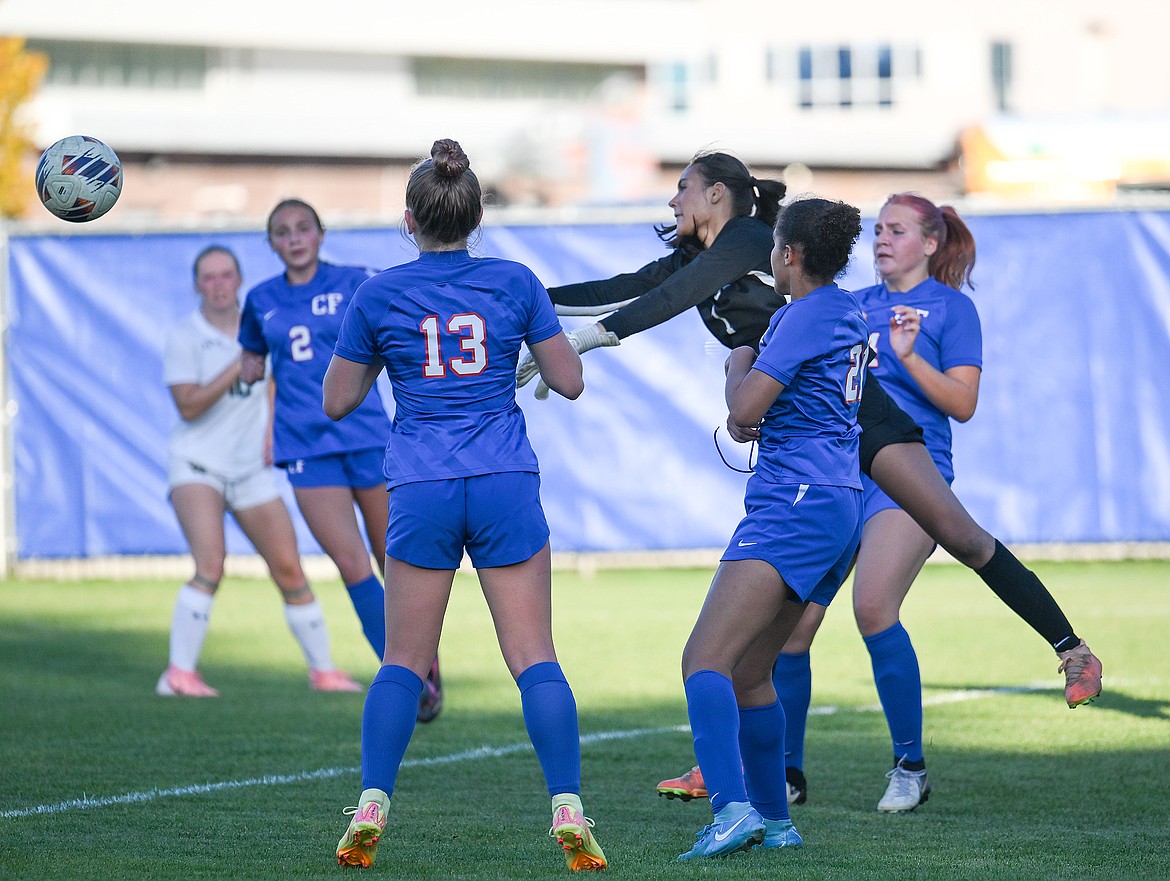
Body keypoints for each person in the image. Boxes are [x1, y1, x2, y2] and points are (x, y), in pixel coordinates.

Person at [514, 150, 1102, 805]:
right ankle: (768, 777)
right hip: (807, 442)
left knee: (959, 535)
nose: (673, 201)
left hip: (857, 422)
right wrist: (529, 310)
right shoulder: (704, 253)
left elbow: (665, 302)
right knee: (782, 637)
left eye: (682, 188)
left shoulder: (743, 240)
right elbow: (629, 285)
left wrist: (587, 339)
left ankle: (1071, 648)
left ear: (717, 196)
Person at [326, 139, 607, 872]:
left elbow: (336, 399)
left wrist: (389, 359)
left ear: (409, 219)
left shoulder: (378, 293)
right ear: (479, 213)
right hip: (503, 478)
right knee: (534, 659)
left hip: (421, 483)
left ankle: (373, 801)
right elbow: (569, 382)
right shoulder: (514, 279)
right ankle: (568, 804)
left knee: (402, 664)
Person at [678, 196, 867, 859]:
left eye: (774, 247)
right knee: (752, 674)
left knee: (704, 659)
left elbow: (743, 415)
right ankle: (775, 821)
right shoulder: (848, 309)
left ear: (789, 253)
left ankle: (731, 811)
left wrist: (737, 362)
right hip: (840, 502)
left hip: (796, 501)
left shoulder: (801, 314)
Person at [239, 198, 444, 723]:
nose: (294, 238)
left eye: (303, 228)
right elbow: (254, 365)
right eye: (282, 231)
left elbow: (402, 327)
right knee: (351, 564)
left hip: (369, 435)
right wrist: (247, 384)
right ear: (272, 244)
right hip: (306, 446)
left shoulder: (357, 282)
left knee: (393, 559)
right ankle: (407, 678)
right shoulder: (261, 300)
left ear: (321, 234)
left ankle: (425, 659)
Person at [158, 244, 362, 697]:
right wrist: (241, 361)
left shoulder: (264, 327)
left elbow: (274, 384)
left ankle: (324, 670)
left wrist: (272, 429)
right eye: (208, 277)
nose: (218, 285)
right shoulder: (185, 336)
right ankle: (179, 674)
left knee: (289, 568)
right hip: (197, 465)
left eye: (226, 275)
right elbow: (188, 405)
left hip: (250, 468)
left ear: (239, 280)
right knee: (211, 564)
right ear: (196, 285)